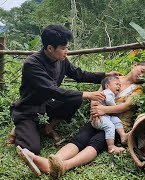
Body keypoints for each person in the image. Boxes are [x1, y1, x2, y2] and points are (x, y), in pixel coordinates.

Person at [17, 61, 145, 178]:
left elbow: (125, 106)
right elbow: (97, 95)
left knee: (96, 142)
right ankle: (54, 161)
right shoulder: (112, 78)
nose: (141, 75)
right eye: (142, 70)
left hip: (117, 124)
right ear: (135, 65)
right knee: (80, 138)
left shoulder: (138, 89)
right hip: (97, 118)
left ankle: (62, 166)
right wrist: (95, 109)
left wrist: (103, 110)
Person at [8, 25, 117, 155]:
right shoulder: (32, 64)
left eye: (67, 48)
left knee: (75, 99)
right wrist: (87, 94)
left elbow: (79, 74)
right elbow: (52, 90)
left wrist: (105, 75)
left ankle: (48, 127)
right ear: (50, 48)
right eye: (63, 48)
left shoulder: (61, 60)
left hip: (48, 104)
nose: (67, 51)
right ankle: (20, 128)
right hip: (29, 109)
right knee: (32, 149)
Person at [91, 75, 127, 154]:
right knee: (110, 126)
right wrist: (116, 107)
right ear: (107, 86)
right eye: (116, 84)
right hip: (98, 119)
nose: (119, 86)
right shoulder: (107, 92)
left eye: (120, 85)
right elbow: (109, 100)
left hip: (106, 116)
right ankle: (111, 147)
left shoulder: (110, 93)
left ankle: (123, 135)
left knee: (116, 120)